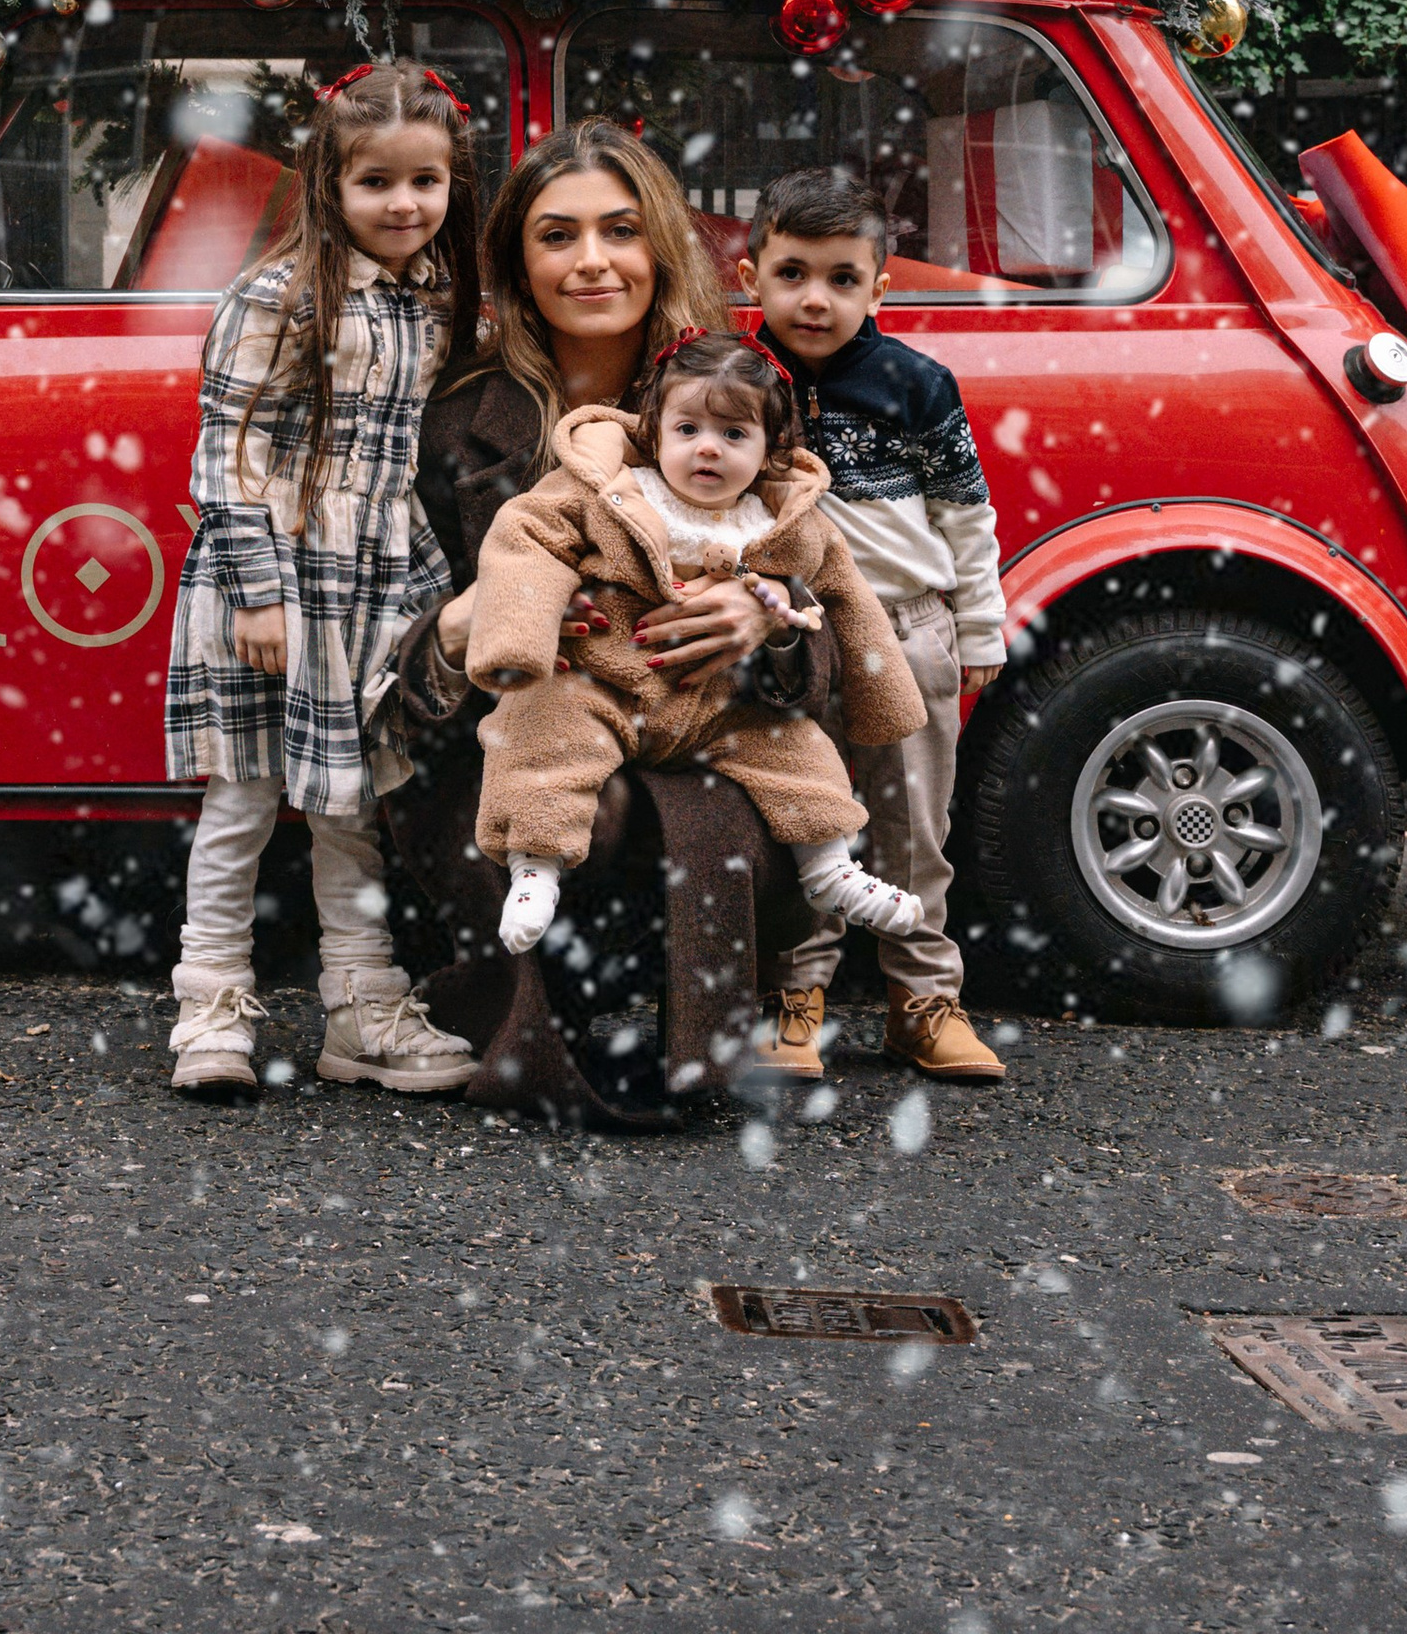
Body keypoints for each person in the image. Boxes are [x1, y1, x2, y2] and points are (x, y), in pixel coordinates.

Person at [383, 122, 805, 1118]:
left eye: (619, 230)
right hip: (506, 747)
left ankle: (685, 1024)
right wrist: (469, 625)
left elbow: (825, 604)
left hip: (702, 729)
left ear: (658, 246)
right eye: (556, 236)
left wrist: (765, 620)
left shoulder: (737, 392)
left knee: (726, 814)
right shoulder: (455, 421)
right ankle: (557, 1018)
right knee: (585, 811)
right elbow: (393, 677)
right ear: (517, 266)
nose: (591, 262)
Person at [161, 61, 485, 1103]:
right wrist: (259, 593)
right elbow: (229, 455)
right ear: (329, 185)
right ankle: (209, 1007)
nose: (403, 203)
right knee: (244, 799)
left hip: (372, 582)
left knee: (355, 805)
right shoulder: (280, 296)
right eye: (375, 181)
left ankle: (359, 1005)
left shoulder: (438, 299)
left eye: (425, 181)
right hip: (279, 582)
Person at [467, 329, 929, 955]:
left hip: (718, 704)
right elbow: (526, 538)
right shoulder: (609, 489)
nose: (708, 448)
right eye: (687, 429)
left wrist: (882, 698)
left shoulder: (785, 522)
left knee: (800, 752)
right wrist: (518, 640)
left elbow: (848, 598)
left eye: (734, 434)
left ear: (770, 451)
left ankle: (828, 868)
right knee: (540, 727)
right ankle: (534, 865)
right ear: (654, 434)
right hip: (605, 681)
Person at [741, 167, 1011, 1085]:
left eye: (842, 279)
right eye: (792, 274)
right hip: (792, 637)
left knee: (912, 830)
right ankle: (796, 999)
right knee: (804, 820)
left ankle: (923, 1003)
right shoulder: (738, 379)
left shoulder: (917, 383)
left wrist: (980, 627)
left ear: (879, 288)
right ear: (752, 276)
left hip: (909, 629)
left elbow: (965, 514)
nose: (814, 299)